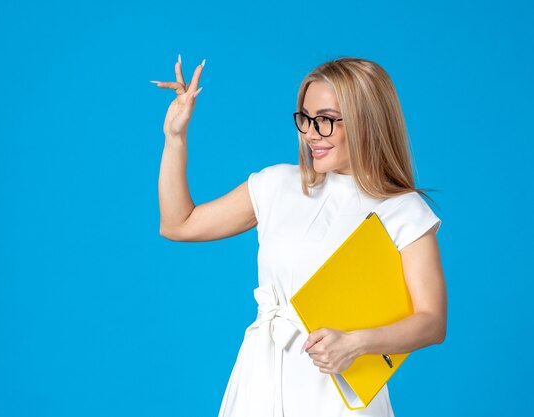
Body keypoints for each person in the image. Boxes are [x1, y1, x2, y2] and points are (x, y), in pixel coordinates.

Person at [152, 55, 447, 417]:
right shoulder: (277, 184)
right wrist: (175, 137)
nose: (310, 133)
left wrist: (356, 343)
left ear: (365, 121)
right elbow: (178, 224)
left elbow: (431, 320)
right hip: (260, 380)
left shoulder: (401, 209)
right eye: (305, 118)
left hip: (337, 392)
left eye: (325, 121)